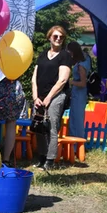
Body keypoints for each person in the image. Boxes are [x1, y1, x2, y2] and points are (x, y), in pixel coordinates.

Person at [31, 25, 72, 171]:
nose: (58, 39)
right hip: (40, 97)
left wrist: (48, 98)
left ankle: (50, 160)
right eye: (55, 36)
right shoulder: (42, 55)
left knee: (52, 127)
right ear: (49, 37)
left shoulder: (65, 56)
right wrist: (36, 97)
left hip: (56, 96)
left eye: (61, 37)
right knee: (39, 128)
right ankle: (41, 157)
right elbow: (34, 78)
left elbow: (62, 80)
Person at [66, 41, 91, 137]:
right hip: (78, 93)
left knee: (76, 120)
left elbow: (83, 83)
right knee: (75, 118)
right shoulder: (85, 59)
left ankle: (77, 144)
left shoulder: (81, 65)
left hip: (79, 93)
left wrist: (70, 82)